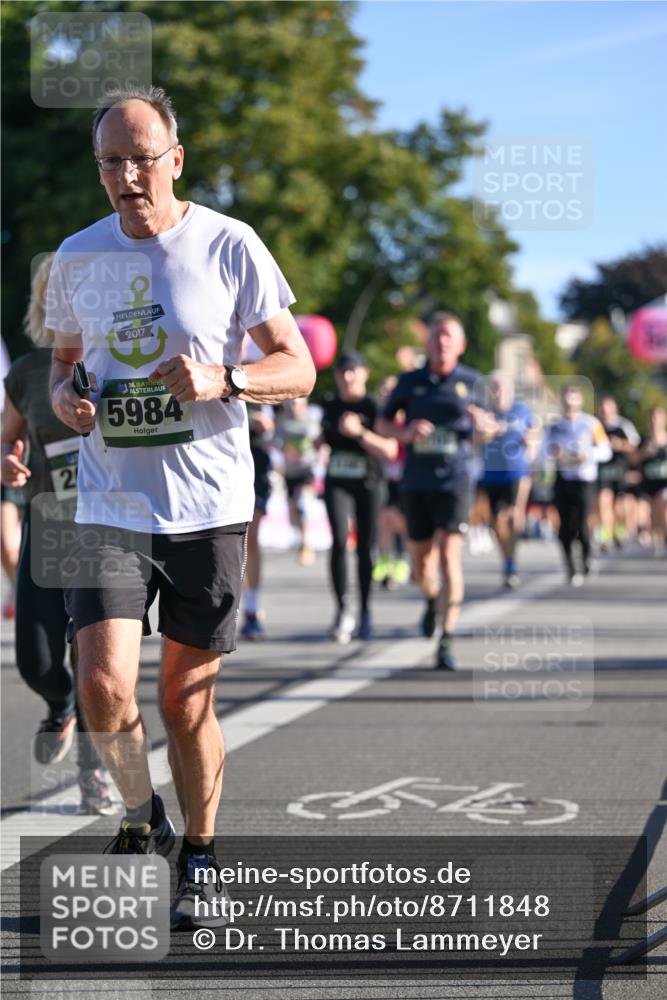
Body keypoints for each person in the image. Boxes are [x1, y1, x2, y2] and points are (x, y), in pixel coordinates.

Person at [46, 86, 315, 930]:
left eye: (141, 158)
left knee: (183, 702)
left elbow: (298, 366)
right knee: (99, 685)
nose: (127, 176)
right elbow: (64, 369)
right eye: (111, 162)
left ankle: (200, 852)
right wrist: (69, 403)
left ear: (175, 160)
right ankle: (140, 813)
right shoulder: (77, 255)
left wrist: (225, 378)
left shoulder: (230, 245)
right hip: (110, 498)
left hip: (207, 503)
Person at [1, 254, 117, 814]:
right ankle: (59, 700)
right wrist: (8, 462)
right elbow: (7, 438)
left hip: (109, 531)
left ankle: (94, 775)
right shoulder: (26, 372)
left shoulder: (117, 359)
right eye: (57, 294)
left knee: (99, 664)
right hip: (47, 526)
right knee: (36, 659)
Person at [377, 311, 490, 670]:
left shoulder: (473, 382)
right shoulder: (410, 382)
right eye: (436, 335)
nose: (442, 342)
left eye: (449, 337)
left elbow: (489, 428)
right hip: (417, 481)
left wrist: (482, 426)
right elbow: (381, 423)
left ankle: (447, 638)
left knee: (448, 557)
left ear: (461, 345)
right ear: (427, 342)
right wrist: (406, 433)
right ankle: (430, 598)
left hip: (456, 481)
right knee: (421, 564)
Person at [321, 350, 397, 643]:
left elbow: (389, 450)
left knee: (366, 546)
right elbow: (322, 439)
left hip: (370, 482)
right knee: (339, 541)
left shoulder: (374, 406)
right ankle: (342, 609)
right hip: (338, 482)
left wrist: (359, 433)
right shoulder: (331, 405)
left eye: (353, 371)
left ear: (365, 373)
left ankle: (365, 610)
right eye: (342, 372)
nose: (348, 377)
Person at [543, 384, 612, 585]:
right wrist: (553, 453)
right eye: (566, 398)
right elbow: (541, 453)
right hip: (563, 478)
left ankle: (587, 557)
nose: (569, 402)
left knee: (582, 523)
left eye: (573, 398)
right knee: (564, 525)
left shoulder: (591, 424)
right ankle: (570, 566)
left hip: (584, 479)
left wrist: (587, 455)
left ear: (580, 401)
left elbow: (605, 451)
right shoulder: (554, 426)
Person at [477, 371, 537, 588]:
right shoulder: (485, 413)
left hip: (518, 472)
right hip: (492, 474)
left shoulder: (521, 410)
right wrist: (489, 431)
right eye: (493, 387)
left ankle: (512, 562)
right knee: (497, 523)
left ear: (509, 390)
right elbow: (474, 438)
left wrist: (531, 445)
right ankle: (508, 561)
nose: (497, 391)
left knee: (513, 516)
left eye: (500, 386)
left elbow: (534, 430)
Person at [240, 403, 275, 640]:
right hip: (222, 459)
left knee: (250, 536)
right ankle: (232, 608)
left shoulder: (268, 366)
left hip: (257, 462)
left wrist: (272, 428)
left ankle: (252, 608)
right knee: (233, 542)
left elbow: (294, 427)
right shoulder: (210, 366)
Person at [273, 396, 321, 566]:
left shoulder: (311, 421)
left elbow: (318, 442)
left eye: (298, 404)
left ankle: (307, 545)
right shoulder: (283, 422)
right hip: (290, 471)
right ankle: (302, 538)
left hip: (307, 470)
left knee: (302, 503)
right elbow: (275, 444)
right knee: (293, 509)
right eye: (291, 404)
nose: (294, 408)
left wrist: (319, 458)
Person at [595, 396, 640, 551]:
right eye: (603, 408)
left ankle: (619, 533)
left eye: (608, 408)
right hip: (602, 470)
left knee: (619, 506)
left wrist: (620, 444)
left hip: (619, 470)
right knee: (603, 501)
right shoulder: (596, 425)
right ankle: (605, 537)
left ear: (615, 409)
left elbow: (635, 447)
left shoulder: (623, 425)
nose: (605, 411)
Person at [635, 405, 667, 555]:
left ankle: (663, 539)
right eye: (652, 418)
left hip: (664, 483)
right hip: (648, 484)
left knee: (662, 504)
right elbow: (634, 461)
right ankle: (656, 538)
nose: (655, 421)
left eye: (658, 418)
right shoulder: (643, 441)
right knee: (649, 511)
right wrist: (645, 452)